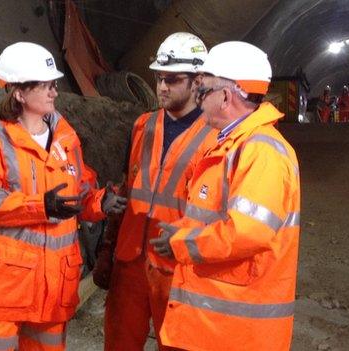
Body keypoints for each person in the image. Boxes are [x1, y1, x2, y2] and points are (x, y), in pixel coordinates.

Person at [0, 42, 126, 351]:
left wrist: (98, 203)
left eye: (53, 84)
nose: (54, 92)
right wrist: (40, 206)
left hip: (53, 289)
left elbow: (79, 191)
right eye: (45, 85)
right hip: (7, 286)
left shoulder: (66, 138)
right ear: (19, 93)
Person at [150, 41, 301, 351]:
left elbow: (247, 232)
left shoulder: (260, 152)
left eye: (202, 90)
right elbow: (217, 217)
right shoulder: (230, 144)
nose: (197, 99)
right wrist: (185, 230)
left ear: (226, 96)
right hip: (214, 325)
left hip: (236, 332)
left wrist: (181, 244)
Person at [96, 32, 218, 351]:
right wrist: (107, 250)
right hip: (129, 262)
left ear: (198, 81)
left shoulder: (216, 138)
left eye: (172, 79)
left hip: (177, 268)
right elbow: (126, 188)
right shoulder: (143, 126)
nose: (162, 87)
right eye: (159, 78)